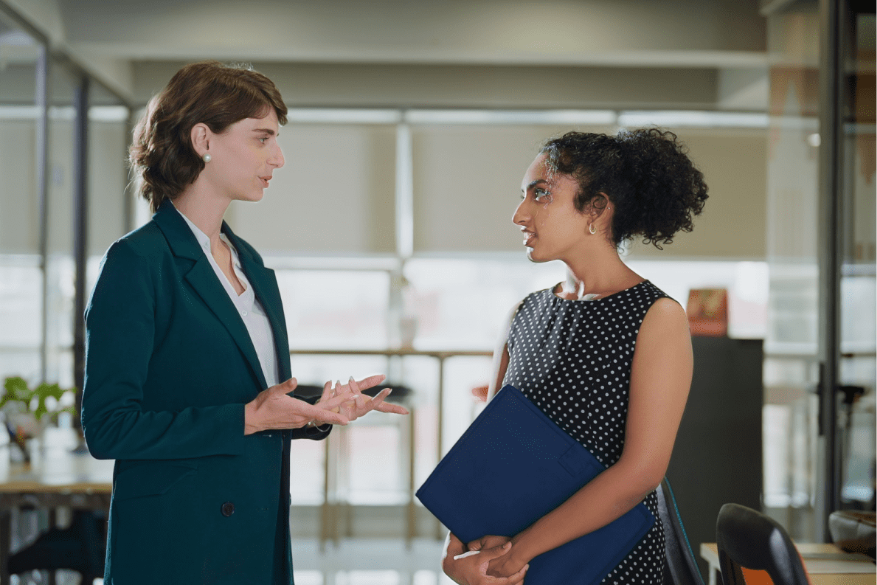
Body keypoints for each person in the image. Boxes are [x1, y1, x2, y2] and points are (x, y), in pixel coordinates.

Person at [81, 61, 408, 585]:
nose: (277, 158)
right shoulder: (138, 262)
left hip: (256, 535)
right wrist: (247, 418)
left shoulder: (250, 262)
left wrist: (310, 409)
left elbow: (248, 395)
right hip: (178, 545)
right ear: (203, 138)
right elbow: (108, 427)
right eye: (261, 139)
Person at [441, 129, 708, 585]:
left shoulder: (656, 317)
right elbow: (489, 453)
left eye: (540, 195)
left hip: (606, 563)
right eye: (523, 196)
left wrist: (518, 552)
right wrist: (454, 549)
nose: (518, 214)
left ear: (596, 209)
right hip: (519, 562)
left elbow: (641, 472)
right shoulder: (523, 314)